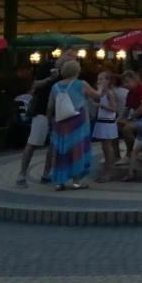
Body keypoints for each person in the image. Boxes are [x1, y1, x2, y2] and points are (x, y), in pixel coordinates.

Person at [44, 57, 98, 191]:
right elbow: (96, 96)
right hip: (78, 122)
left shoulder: (55, 87)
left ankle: (59, 182)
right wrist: (102, 87)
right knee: (77, 149)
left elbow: (50, 106)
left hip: (61, 122)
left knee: (61, 150)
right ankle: (76, 182)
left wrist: (50, 120)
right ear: (77, 70)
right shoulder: (81, 84)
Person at [92, 71, 122, 182]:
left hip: (107, 122)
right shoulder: (101, 93)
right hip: (102, 121)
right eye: (98, 79)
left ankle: (108, 173)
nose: (99, 81)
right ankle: (106, 172)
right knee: (104, 148)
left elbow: (114, 108)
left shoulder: (109, 93)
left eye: (101, 79)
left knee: (107, 148)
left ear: (108, 81)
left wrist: (101, 105)